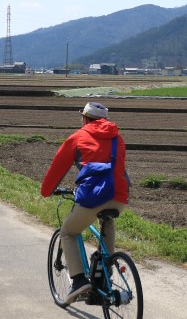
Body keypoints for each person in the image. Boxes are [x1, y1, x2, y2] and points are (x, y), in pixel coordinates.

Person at [40, 101, 130, 304]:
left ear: (86, 119)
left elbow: (57, 168)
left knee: (68, 232)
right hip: (119, 197)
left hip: (93, 197)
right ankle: (103, 280)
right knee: (107, 222)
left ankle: (79, 281)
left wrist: (46, 191)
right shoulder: (118, 138)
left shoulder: (78, 137)